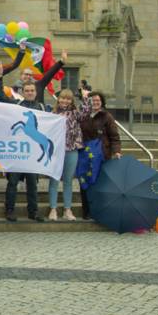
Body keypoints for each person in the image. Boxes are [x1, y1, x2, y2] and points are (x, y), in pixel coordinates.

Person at [0, 65, 46, 222]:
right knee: (13, 182)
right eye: (27, 91)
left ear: (36, 92)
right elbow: (1, 96)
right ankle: (9, 209)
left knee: (32, 184)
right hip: (17, 151)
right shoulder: (16, 105)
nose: (30, 93)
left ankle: (33, 211)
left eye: (32, 90)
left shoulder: (42, 108)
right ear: (23, 92)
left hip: (32, 153)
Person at [48, 88, 90, 221]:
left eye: (68, 98)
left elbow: (86, 114)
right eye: (62, 98)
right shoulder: (52, 113)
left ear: (71, 101)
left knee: (68, 181)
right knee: (54, 180)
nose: (65, 101)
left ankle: (67, 209)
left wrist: (85, 98)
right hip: (55, 151)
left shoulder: (75, 113)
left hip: (72, 149)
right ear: (58, 99)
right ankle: (53, 209)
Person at [78, 91, 121, 219]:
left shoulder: (106, 116)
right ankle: (87, 211)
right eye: (92, 100)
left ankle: (99, 210)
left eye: (98, 100)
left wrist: (116, 151)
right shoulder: (83, 115)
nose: (95, 102)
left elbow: (114, 136)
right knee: (85, 182)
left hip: (102, 154)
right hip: (85, 155)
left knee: (99, 183)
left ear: (102, 102)